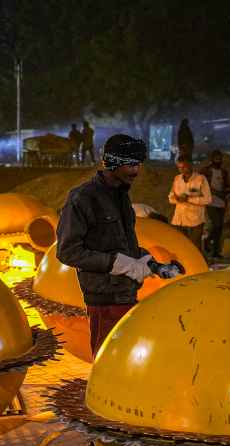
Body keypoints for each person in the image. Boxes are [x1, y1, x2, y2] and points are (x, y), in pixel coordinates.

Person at [57, 134, 181, 358]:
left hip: (127, 295)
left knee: (126, 359)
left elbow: (125, 246)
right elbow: (67, 251)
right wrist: (115, 263)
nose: (136, 171)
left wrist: (152, 265)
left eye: (138, 164)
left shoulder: (120, 196)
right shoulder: (83, 198)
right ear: (112, 162)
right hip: (104, 300)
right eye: (130, 164)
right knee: (108, 361)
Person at [168, 155, 212, 251]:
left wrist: (189, 200)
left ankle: (199, 265)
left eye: (184, 167)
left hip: (195, 220)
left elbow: (208, 199)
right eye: (179, 167)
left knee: (195, 248)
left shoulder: (200, 179)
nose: (182, 170)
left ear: (191, 165)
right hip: (179, 219)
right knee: (181, 247)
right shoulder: (177, 179)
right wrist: (178, 199)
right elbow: (170, 198)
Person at [199, 150, 230, 258]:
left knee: (220, 227)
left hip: (221, 202)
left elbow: (227, 186)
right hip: (210, 202)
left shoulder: (224, 172)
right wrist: (216, 192)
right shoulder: (206, 171)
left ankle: (215, 251)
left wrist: (225, 193)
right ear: (212, 159)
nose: (218, 160)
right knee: (216, 224)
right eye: (216, 158)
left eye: (219, 158)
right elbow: (203, 186)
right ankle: (207, 240)